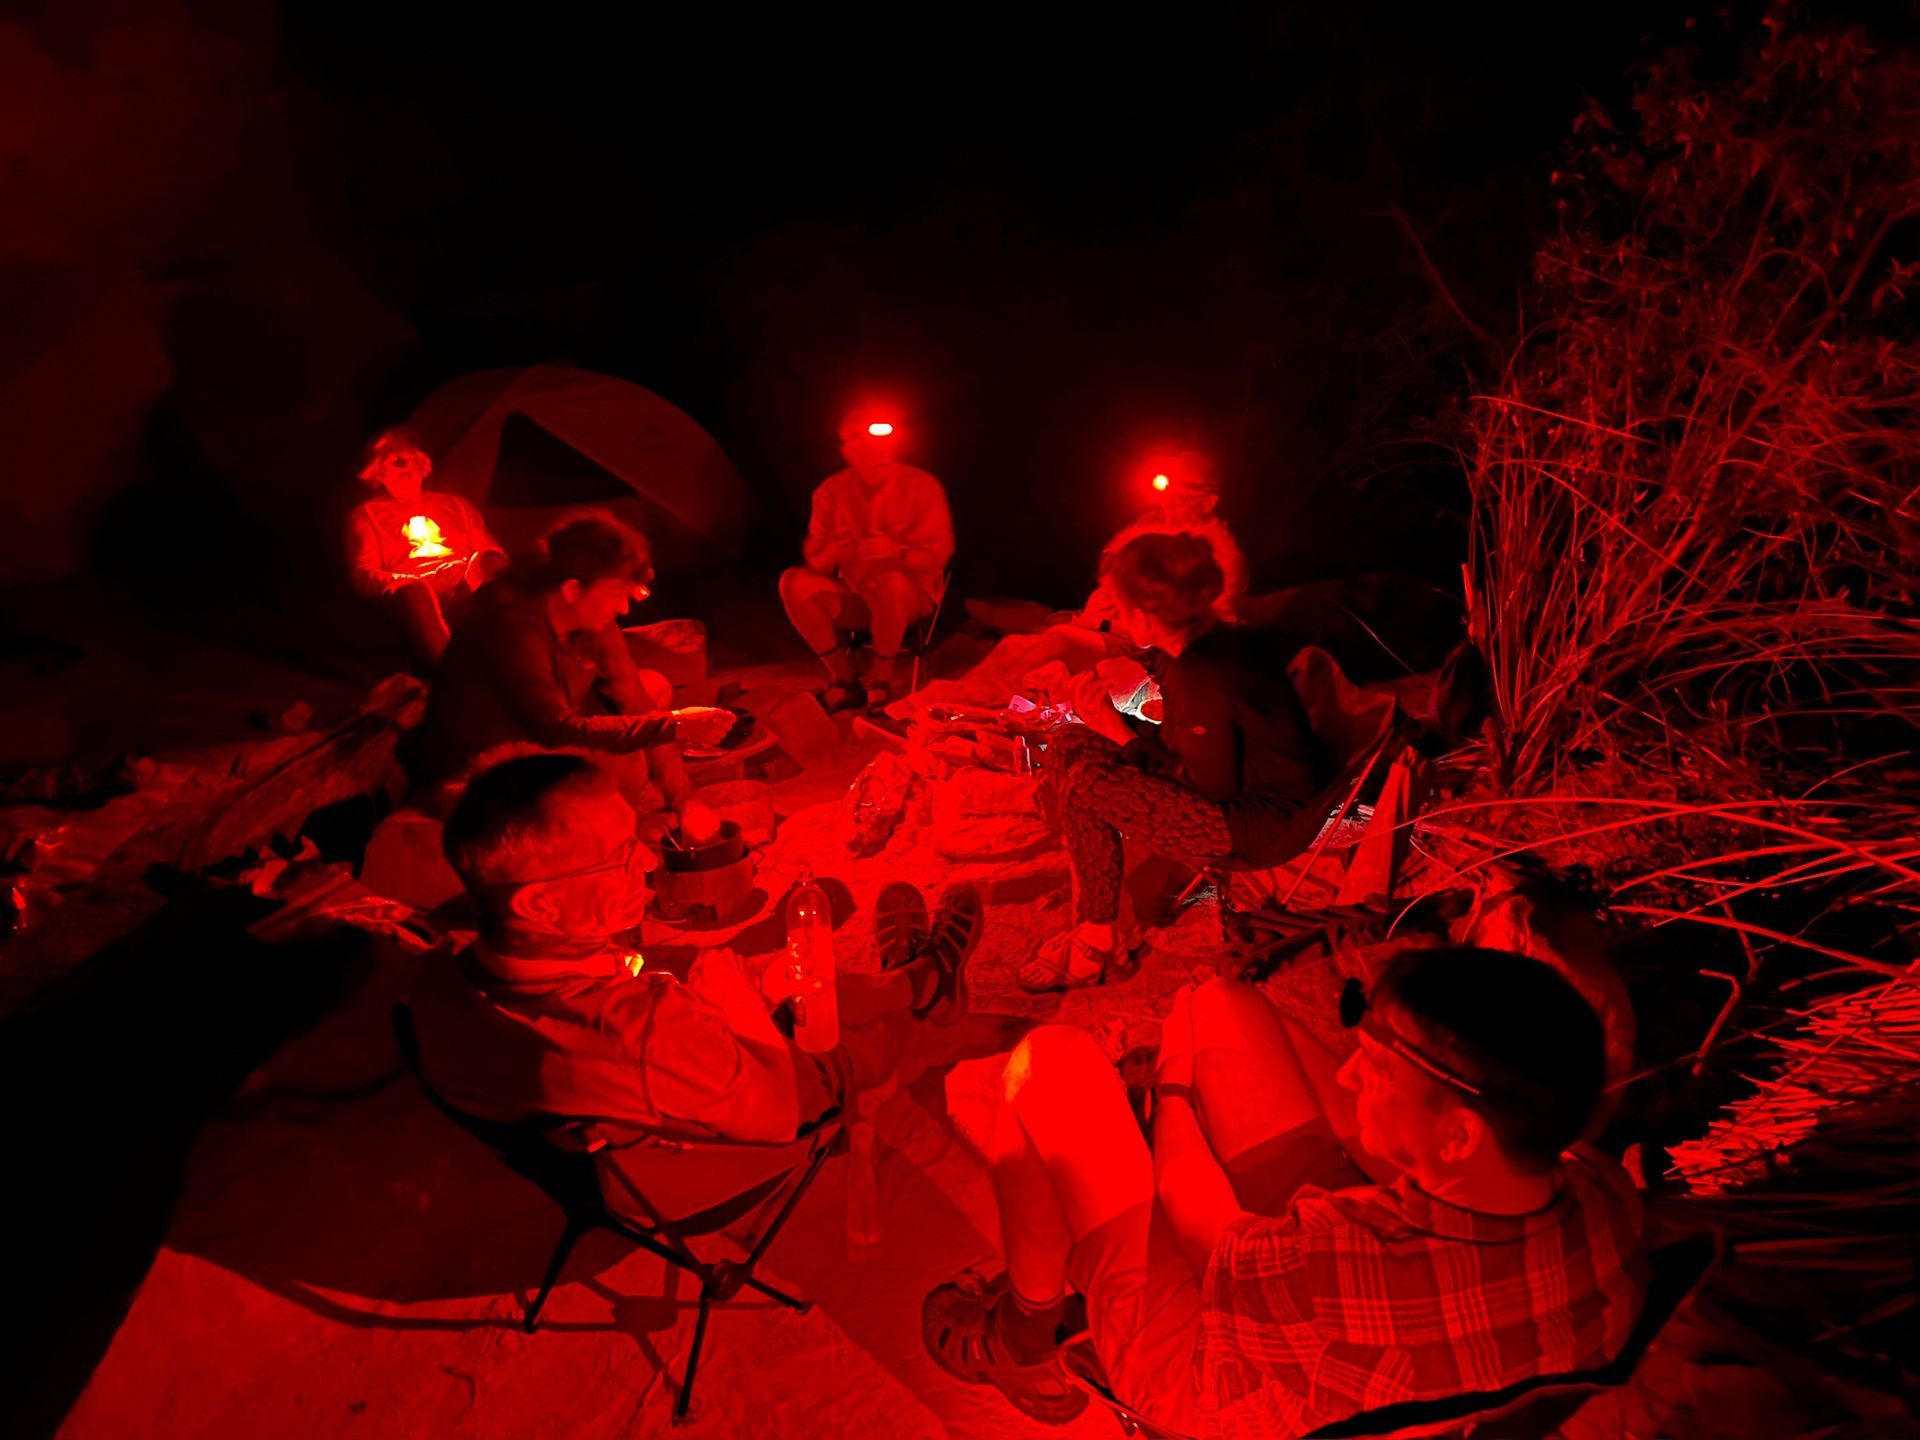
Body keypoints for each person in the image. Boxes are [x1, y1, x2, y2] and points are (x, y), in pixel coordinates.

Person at [926, 947, 1648, 1436]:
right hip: (1365, 1351)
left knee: (1050, 1064)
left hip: (1217, 1389)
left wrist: (1174, 1077)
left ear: (1459, 1135)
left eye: (1378, 1070)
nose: (1349, 1075)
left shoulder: (1337, 1262)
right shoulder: (1600, 1191)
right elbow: (1357, 1137)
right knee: (1223, 1003)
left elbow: (1191, 1203)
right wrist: (1204, 1019)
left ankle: (1023, 1334)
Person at [409, 751, 984, 1155]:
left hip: (673, 1080)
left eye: (637, 838)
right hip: (770, 1105)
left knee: (787, 975)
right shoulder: (649, 1032)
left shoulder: (441, 968)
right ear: (542, 904)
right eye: (619, 854)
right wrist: (743, 1008)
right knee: (843, 1024)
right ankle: (917, 985)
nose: (647, 862)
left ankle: (915, 980)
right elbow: (783, 1115)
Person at [1023, 531, 1327, 990]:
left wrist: (1117, 730)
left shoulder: (1206, 676)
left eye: (1119, 605)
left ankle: (1099, 943)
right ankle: (1102, 911)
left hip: (1256, 823)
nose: (1113, 613)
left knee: (1087, 785)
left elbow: (1209, 787)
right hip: (1225, 778)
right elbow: (1179, 734)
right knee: (1069, 743)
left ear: (1148, 614)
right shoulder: (1193, 640)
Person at [416, 513, 731, 838]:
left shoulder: (592, 619)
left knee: (654, 690)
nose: (624, 608)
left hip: (538, 740)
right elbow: (554, 728)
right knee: (627, 764)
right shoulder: (512, 627)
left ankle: (611, 815)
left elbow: (635, 698)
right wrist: (674, 724)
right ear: (572, 589)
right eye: (616, 593)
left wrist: (684, 800)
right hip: (481, 767)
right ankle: (588, 833)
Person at [779, 408, 955, 711]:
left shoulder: (922, 487)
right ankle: (845, 680)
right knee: (793, 583)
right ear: (848, 452)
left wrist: (897, 552)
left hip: (911, 597)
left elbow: (939, 554)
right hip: (858, 594)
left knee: (891, 582)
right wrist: (836, 551)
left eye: (882, 447)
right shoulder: (830, 492)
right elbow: (817, 559)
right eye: (865, 448)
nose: (876, 454)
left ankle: (879, 682)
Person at [344, 426, 508, 666]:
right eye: (391, 461)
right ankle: (449, 671)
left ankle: (512, 653)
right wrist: (415, 580)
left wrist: (465, 570)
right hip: (413, 592)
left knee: (492, 564)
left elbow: (493, 553)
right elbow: (364, 575)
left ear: (423, 464)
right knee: (417, 592)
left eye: (408, 458)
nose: (403, 466)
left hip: (465, 580)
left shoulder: (456, 505)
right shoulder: (366, 515)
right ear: (376, 473)